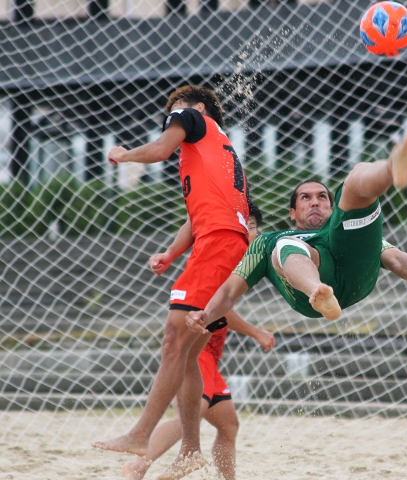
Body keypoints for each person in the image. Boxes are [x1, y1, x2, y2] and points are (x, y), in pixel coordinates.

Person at [93, 85, 251, 479]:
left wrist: (125, 154)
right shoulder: (216, 149)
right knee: (189, 352)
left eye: (175, 112)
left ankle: (141, 434)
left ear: (197, 109)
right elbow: (198, 216)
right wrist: (172, 252)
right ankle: (191, 450)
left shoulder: (192, 119)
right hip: (221, 242)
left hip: (217, 244)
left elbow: (161, 148)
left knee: (173, 340)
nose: (171, 119)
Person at [187, 132, 407, 338]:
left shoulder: (337, 224)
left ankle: (391, 169)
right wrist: (206, 315)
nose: (315, 202)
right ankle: (318, 291)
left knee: (352, 182)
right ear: (293, 212)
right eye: (306, 198)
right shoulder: (267, 242)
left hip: (353, 270)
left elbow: (396, 259)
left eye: (322, 197)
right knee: (284, 244)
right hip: (311, 293)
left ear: (330, 206)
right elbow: (229, 291)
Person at [123, 206, 272, 480]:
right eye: (244, 225)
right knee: (186, 421)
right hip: (197, 354)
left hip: (210, 360)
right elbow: (221, 308)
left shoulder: (244, 258)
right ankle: (138, 466)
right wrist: (256, 333)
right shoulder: (222, 254)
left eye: (251, 226)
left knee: (229, 425)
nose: (248, 230)